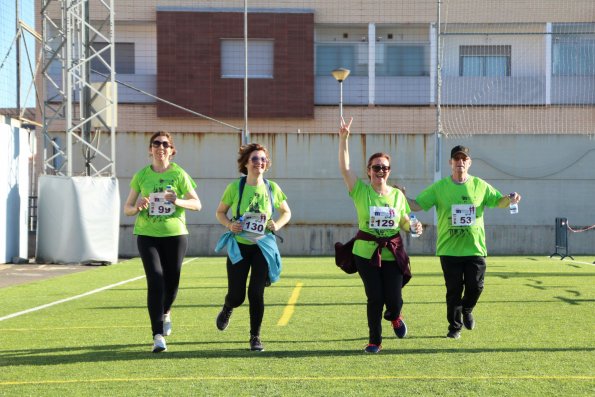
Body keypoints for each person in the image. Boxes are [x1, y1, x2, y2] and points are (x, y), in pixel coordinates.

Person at [407, 145, 521, 339]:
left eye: (464, 159)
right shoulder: (440, 187)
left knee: (476, 287)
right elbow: (417, 205)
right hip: (449, 250)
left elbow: (498, 202)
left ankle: (467, 309)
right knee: (453, 291)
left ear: (469, 163)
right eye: (456, 159)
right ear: (451, 163)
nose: (460, 162)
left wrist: (511, 199)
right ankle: (454, 328)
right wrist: (399, 197)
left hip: (474, 248)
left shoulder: (480, 185)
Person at [338, 117, 422, 354]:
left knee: (394, 299)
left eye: (384, 167)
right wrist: (344, 139)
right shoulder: (360, 191)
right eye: (376, 167)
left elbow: (404, 220)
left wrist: (413, 227)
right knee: (375, 297)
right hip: (366, 252)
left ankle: (395, 316)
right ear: (368, 171)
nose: (380, 171)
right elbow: (345, 169)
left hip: (392, 253)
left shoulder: (397, 195)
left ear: (389, 171)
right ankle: (374, 340)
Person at [124, 131, 202, 353]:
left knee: (172, 283)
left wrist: (177, 200)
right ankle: (157, 336)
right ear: (150, 149)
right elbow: (127, 209)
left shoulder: (179, 174)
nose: (160, 147)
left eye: (165, 144)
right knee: (156, 281)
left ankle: (166, 311)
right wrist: (138, 206)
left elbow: (197, 204)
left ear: (172, 150)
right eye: (156, 144)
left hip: (175, 235)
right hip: (147, 235)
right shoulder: (141, 176)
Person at [214, 143, 291, 351]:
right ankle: (228, 307)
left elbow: (286, 212)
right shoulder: (235, 188)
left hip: (262, 247)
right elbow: (220, 213)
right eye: (255, 159)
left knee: (256, 293)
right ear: (246, 163)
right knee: (237, 296)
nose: (260, 162)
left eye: (263, 159)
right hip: (239, 247)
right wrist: (231, 224)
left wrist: (277, 224)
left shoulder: (272, 188)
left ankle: (255, 337)